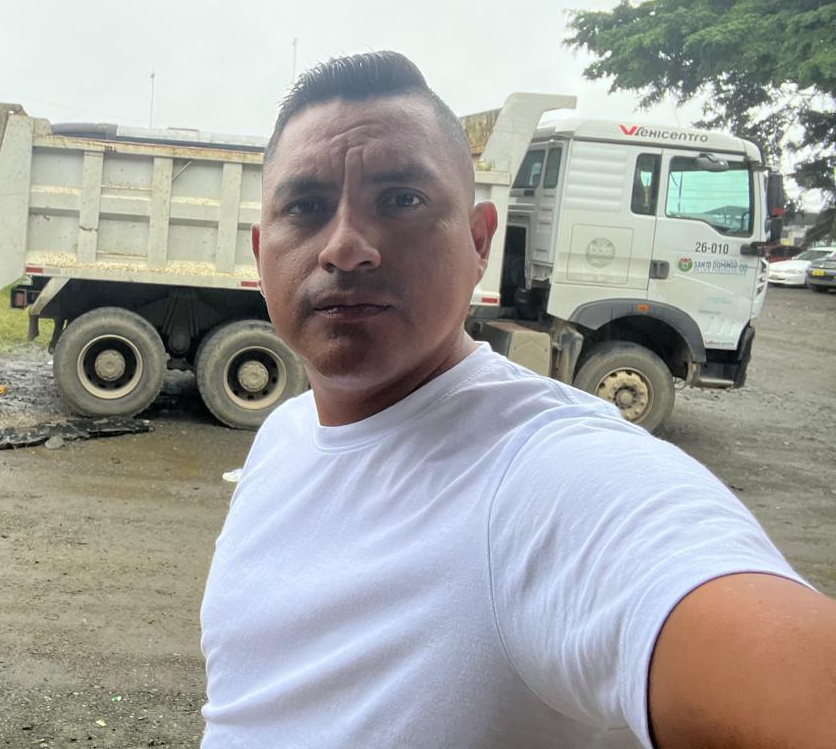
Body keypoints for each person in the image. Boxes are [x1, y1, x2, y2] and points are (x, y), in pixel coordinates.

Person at [200, 51, 836, 748]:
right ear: (260, 252)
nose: (346, 246)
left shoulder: (546, 477)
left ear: (480, 241)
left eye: (402, 200)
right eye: (306, 207)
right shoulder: (286, 433)